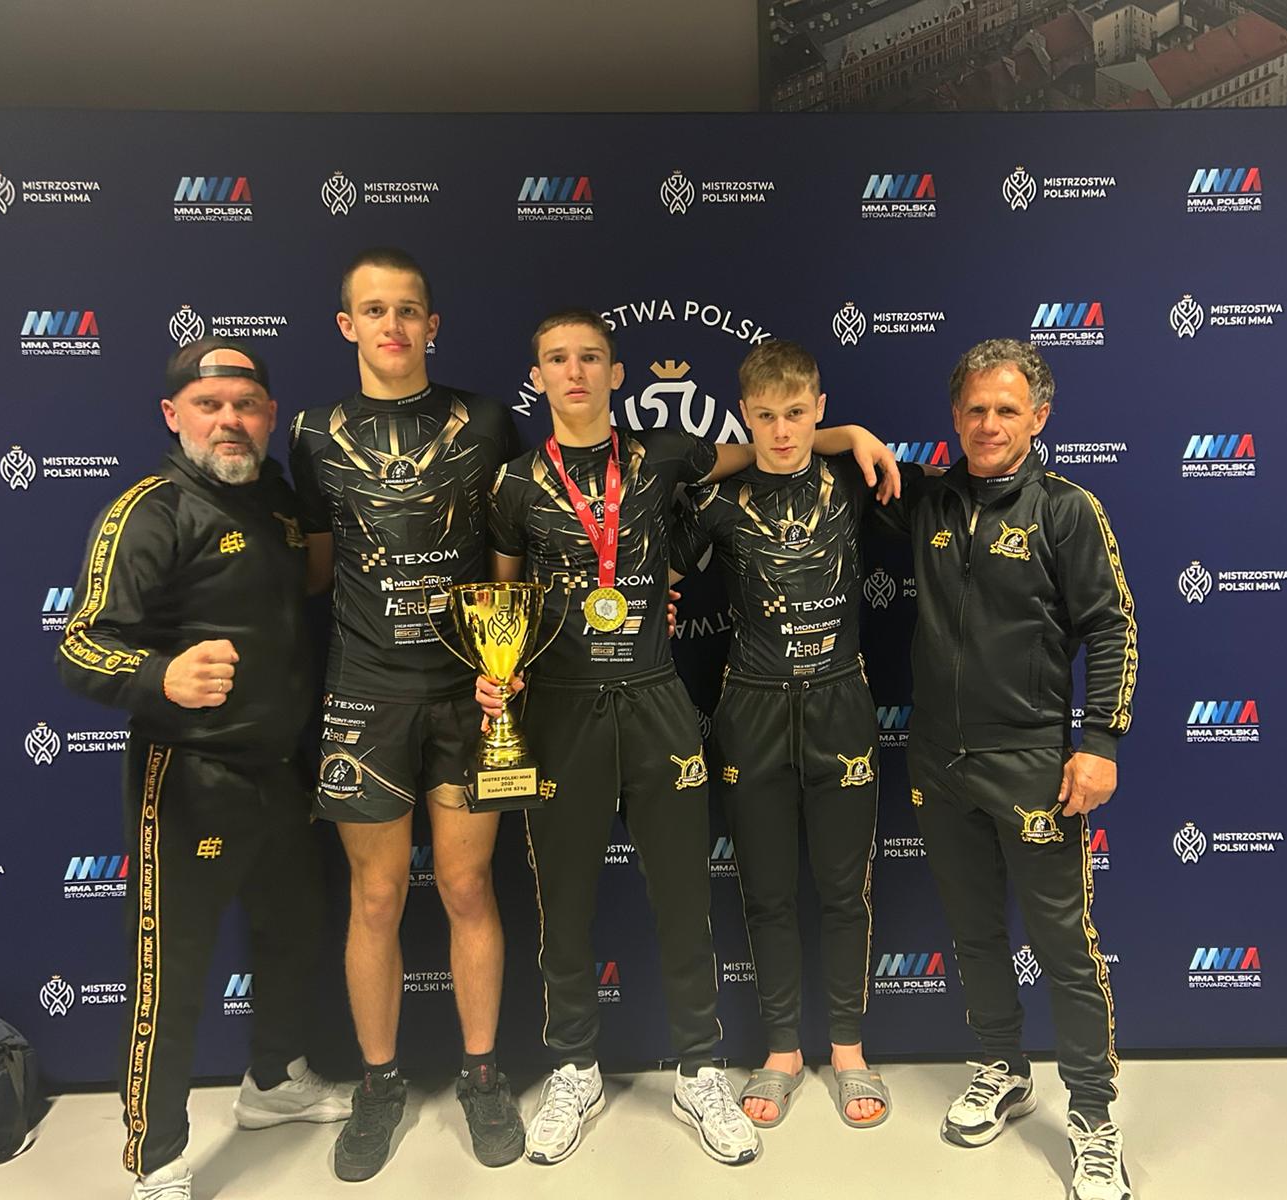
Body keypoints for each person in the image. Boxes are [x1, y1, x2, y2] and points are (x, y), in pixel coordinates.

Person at [477, 311, 899, 1166]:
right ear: (539, 374)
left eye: (590, 358)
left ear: (616, 373)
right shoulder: (514, 483)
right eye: (557, 359)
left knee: (684, 898)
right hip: (560, 708)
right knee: (564, 901)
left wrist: (848, 433)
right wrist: (498, 671)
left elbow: (770, 451)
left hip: (660, 700)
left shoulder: (666, 456)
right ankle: (574, 1069)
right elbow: (504, 601)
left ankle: (700, 1070)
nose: (574, 373)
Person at [57, 338, 348, 1200]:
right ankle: (155, 1160)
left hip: (282, 768)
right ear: (173, 414)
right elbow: (80, 644)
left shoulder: (279, 500)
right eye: (210, 404)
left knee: (293, 933)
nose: (230, 420)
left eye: (247, 405)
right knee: (171, 971)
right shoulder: (150, 510)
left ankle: (273, 1082)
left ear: (269, 415)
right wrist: (161, 676)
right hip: (187, 774)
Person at [288, 247, 524, 1177]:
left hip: (468, 694)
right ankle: (380, 1085)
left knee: (468, 887)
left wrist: (504, 661)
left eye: (409, 309)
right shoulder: (311, 434)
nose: (393, 325)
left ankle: (482, 1076)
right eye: (375, 310)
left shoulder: (488, 422)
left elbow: (510, 560)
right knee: (377, 896)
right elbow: (314, 570)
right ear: (347, 325)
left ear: (433, 324)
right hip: (365, 691)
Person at [884, 339, 1136, 1200]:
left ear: (1039, 417)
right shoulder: (929, 499)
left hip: (1032, 761)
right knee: (974, 931)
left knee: (1064, 945)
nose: (989, 424)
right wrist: (849, 434)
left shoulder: (1066, 509)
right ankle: (1003, 1065)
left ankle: (1094, 1119)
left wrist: (1099, 741)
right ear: (954, 417)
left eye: (1006, 409)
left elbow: (1111, 626)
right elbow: (825, 457)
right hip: (937, 757)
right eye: (975, 409)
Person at [669, 339, 888, 1130]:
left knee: (843, 889)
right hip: (753, 710)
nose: (783, 431)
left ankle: (850, 1051)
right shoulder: (716, 502)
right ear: (744, 416)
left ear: (818, 409)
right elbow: (655, 572)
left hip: (840, 705)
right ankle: (784, 1051)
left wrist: (849, 437)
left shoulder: (854, 478)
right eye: (765, 416)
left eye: (797, 414)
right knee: (766, 892)